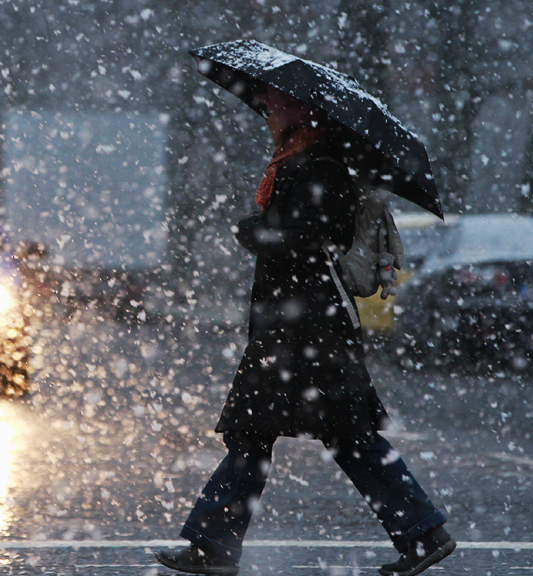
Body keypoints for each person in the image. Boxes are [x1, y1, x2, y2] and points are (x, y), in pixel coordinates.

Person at [155, 86, 456, 576]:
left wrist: (257, 232)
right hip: (299, 326)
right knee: (287, 435)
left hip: (309, 329)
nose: (269, 115)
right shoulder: (304, 162)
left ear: (300, 116)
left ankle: (423, 533)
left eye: (277, 108)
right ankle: (421, 532)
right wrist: (266, 230)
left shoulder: (320, 167)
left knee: (299, 434)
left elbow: (314, 240)